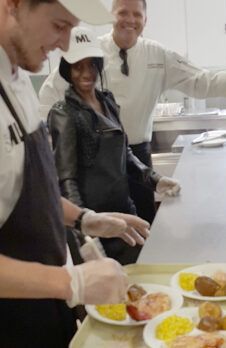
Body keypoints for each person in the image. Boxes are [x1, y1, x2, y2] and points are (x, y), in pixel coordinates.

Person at [0, 0, 151, 347]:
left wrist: (83, 218)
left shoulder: (15, 74)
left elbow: (22, 187)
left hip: (39, 308)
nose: (65, 45)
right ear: (14, 5)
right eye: (59, 26)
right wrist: (69, 283)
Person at [39, 0, 226, 225]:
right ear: (112, 16)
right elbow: (50, 95)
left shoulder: (157, 55)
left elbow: (199, 80)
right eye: (122, 13)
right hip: (94, 166)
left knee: (142, 227)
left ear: (145, 20)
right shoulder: (90, 51)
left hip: (136, 158)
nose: (129, 20)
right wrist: (59, 143)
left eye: (137, 15)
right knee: (100, 234)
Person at [48, 26, 180, 265]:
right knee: (109, 297)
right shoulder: (64, 114)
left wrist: (154, 179)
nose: (86, 72)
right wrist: (86, 231)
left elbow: (125, 153)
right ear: (68, 69)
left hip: (124, 214)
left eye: (91, 64)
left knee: (139, 282)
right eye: (78, 66)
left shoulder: (107, 100)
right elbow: (67, 182)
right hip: (97, 223)